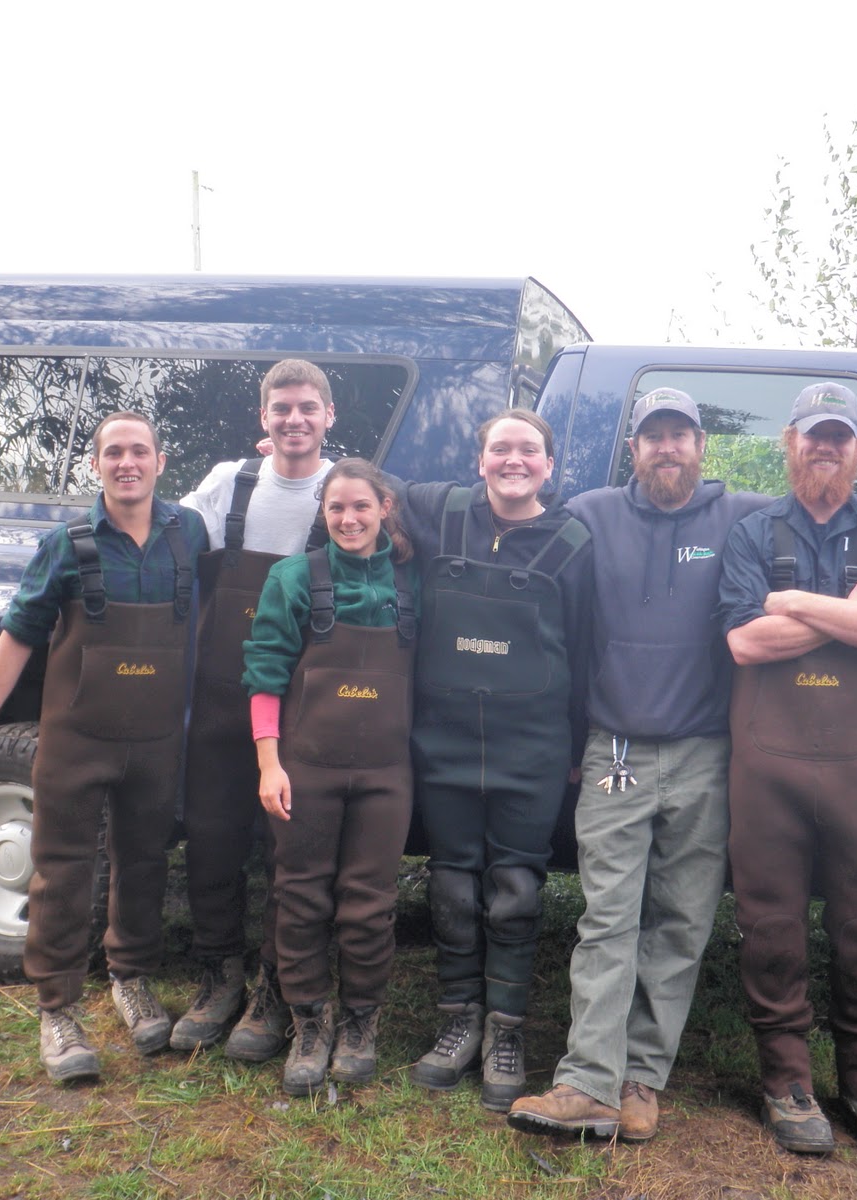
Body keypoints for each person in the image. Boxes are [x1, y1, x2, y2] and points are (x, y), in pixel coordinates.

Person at [507, 387, 857, 1141]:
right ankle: (585, 1082)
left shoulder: (737, 514)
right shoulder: (591, 512)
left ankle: (642, 1082)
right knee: (607, 917)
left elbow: (828, 489)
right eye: (652, 437)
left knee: (679, 922)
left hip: (708, 752)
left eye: (679, 436)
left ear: (703, 445)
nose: (666, 448)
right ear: (632, 448)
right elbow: (515, 509)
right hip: (616, 750)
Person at [0, 411, 209, 1083]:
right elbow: (17, 637)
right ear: (96, 465)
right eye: (113, 453)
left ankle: (130, 979)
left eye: (139, 451)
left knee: (145, 862)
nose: (127, 463)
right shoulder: (66, 545)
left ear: (161, 460)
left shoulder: (191, 532)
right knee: (62, 871)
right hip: (77, 737)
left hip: (156, 739)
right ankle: (58, 1009)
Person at [717, 381, 857, 1162]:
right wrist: (847, 613)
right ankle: (785, 1081)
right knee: (770, 925)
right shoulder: (750, 531)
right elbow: (743, 644)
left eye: (840, 436)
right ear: (791, 441)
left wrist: (792, 600)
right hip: (766, 767)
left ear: (856, 449)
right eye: (814, 435)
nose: (826, 447)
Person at [401, 409, 594, 1112]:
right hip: (444, 737)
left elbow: (587, 647)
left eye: (529, 450)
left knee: (515, 888)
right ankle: (457, 1023)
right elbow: (355, 492)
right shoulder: (439, 511)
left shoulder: (574, 541)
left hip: (532, 744)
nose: (515, 461)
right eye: (500, 449)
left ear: (550, 463)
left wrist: (577, 744)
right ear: (478, 458)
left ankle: (505, 1033)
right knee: (451, 885)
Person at [170, 359, 335, 1063]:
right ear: (263, 419)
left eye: (307, 408)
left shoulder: (346, 489)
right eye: (281, 409)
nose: (294, 420)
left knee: (288, 856)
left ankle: (274, 990)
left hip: (306, 706)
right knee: (212, 842)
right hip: (218, 699)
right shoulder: (227, 484)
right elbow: (164, 544)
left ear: (329, 416)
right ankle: (217, 979)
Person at [241, 459, 419, 1095]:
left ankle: (361, 1023)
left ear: (385, 509)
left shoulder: (410, 583)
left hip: (386, 773)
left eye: (361, 508)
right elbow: (264, 675)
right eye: (337, 508)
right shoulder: (293, 578)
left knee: (370, 902)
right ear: (323, 512)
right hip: (304, 769)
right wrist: (269, 763)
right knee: (301, 895)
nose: (349, 519)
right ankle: (310, 1021)